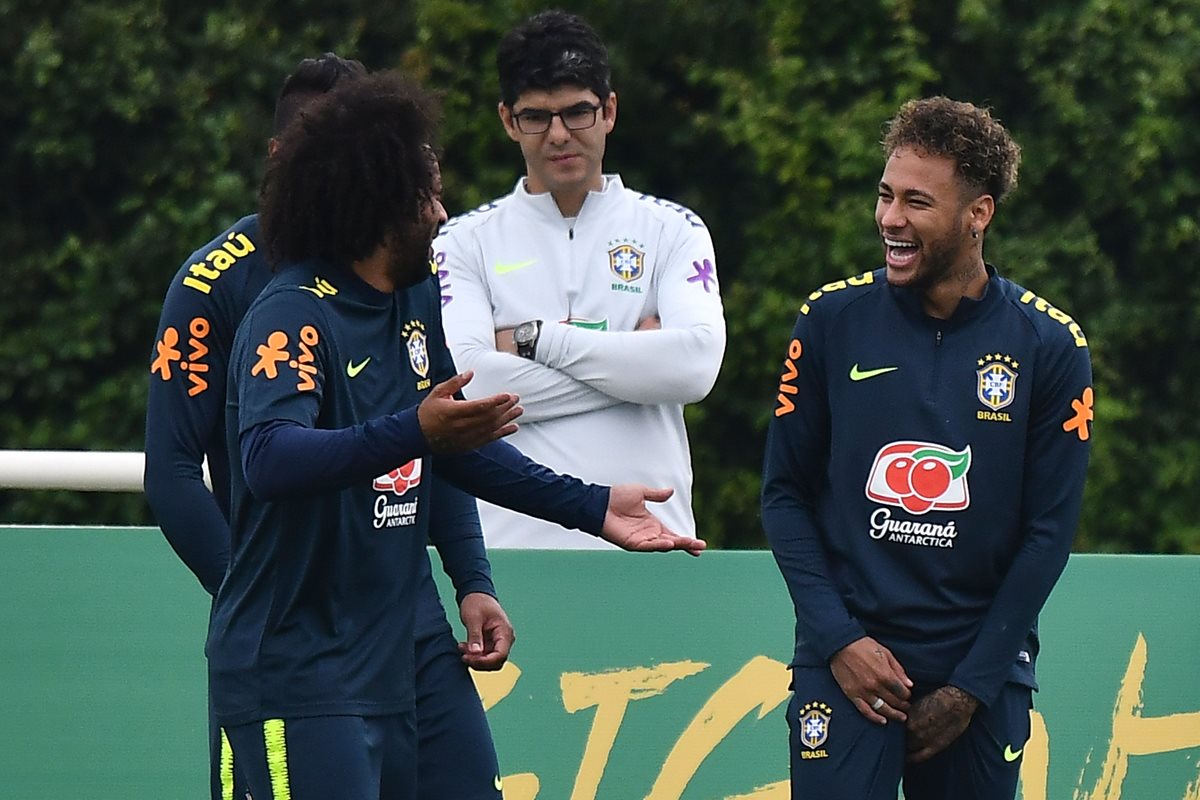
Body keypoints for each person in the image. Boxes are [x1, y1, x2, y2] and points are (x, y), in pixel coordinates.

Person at [211, 69, 701, 800]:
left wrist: (590, 508)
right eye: (427, 198)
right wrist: (413, 429)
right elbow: (268, 459)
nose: (442, 215)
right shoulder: (289, 316)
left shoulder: (411, 301)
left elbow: (458, 440)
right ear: (378, 208)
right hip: (300, 662)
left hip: (406, 651)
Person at [145, 54, 511, 800]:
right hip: (298, 637)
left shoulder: (403, 278)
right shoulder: (221, 285)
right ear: (291, 156)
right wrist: (266, 601)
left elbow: (432, 436)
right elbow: (174, 475)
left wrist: (471, 578)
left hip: (403, 622)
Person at [761, 96, 1094, 800]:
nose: (889, 220)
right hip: (850, 661)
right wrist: (839, 641)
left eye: (917, 202)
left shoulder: (1050, 346)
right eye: (885, 195)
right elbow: (784, 494)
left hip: (979, 666)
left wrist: (972, 685)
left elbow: (1049, 531)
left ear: (978, 214)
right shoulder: (828, 322)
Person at [435, 9, 726, 548]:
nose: (559, 135)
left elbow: (695, 366)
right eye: (536, 117)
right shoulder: (461, 241)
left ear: (609, 110)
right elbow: (463, 389)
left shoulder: (672, 228)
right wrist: (636, 371)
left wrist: (532, 340)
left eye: (577, 112)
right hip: (505, 557)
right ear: (507, 120)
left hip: (654, 545)